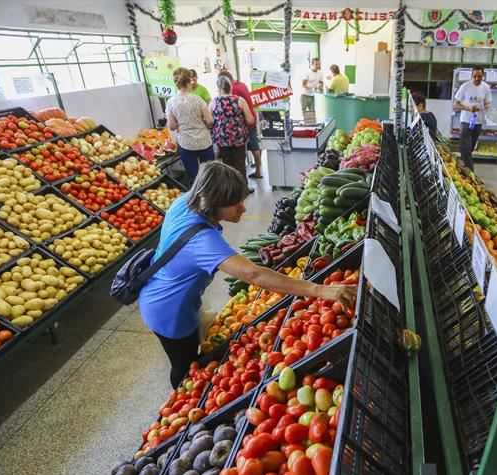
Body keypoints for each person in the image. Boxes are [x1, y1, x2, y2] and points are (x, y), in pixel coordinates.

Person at [139, 161, 357, 388]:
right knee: (185, 368)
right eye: (235, 204)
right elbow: (253, 275)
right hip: (168, 309)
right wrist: (319, 290)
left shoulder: (186, 202)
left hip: (165, 288)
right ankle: (180, 405)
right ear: (213, 203)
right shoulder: (202, 241)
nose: (243, 209)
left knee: (192, 354)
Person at [166, 67, 215, 183]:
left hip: (185, 143)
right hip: (203, 141)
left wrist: (182, 123)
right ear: (189, 82)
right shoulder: (198, 100)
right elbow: (210, 121)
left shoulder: (171, 102)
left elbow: (172, 126)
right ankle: (213, 199)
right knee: (210, 174)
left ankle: (197, 199)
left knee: (194, 177)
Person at [220, 69, 264, 180]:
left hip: (246, 123)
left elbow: (231, 107)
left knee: (254, 147)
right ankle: (258, 166)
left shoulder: (234, 90)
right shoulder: (241, 84)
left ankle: (258, 171)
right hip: (251, 118)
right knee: (255, 146)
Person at [209, 75, 254, 183]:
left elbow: (210, 122)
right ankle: (243, 188)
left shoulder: (213, 102)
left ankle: (230, 190)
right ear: (231, 87)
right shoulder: (240, 100)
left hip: (222, 140)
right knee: (240, 164)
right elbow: (250, 120)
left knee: (227, 165)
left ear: (219, 89)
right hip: (238, 139)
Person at [453, 67, 492, 171]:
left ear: (483, 76)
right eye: (474, 76)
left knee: (469, 150)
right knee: (466, 150)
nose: (476, 78)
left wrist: (487, 105)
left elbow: (488, 102)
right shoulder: (465, 86)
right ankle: (471, 174)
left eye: (479, 76)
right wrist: (468, 108)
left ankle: (461, 169)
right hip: (466, 121)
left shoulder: (486, 88)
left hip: (478, 122)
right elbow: (456, 104)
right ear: (471, 76)